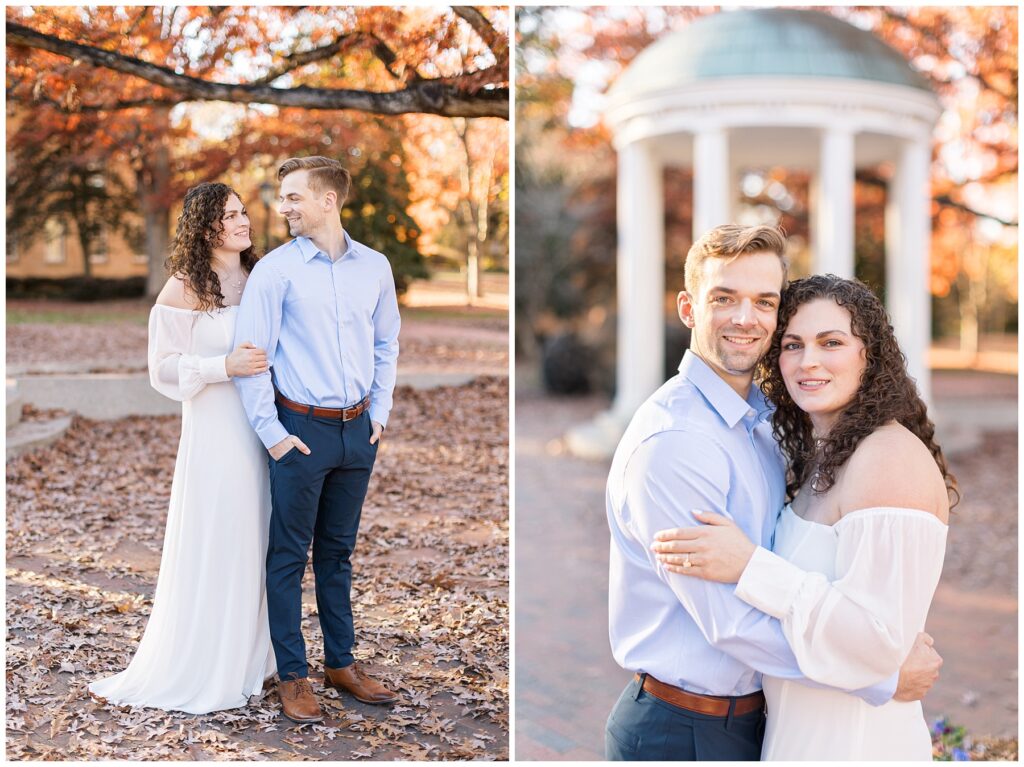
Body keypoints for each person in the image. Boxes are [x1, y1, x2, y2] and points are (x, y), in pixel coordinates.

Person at [604, 224, 943, 761]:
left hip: (764, 723)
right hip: (686, 729)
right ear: (688, 309)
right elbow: (730, 623)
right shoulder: (675, 443)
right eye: (724, 298)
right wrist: (878, 673)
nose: (746, 319)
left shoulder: (765, 429)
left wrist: (876, 652)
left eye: (764, 301)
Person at [89, 182, 275, 714]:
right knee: (222, 536)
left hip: (265, 428)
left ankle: (253, 658)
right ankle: (209, 663)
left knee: (260, 539)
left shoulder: (260, 277)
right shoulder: (186, 285)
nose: (244, 221)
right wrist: (223, 367)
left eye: (243, 212)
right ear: (207, 227)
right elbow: (162, 369)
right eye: (232, 215)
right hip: (216, 435)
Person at [233, 156, 401, 724]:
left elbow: (386, 345)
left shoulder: (375, 267)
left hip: (358, 433)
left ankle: (341, 663)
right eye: (283, 198)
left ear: (329, 200)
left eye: (294, 197)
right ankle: (294, 676)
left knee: (338, 554)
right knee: (287, 557)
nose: (284, 208)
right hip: (299, 432)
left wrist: (379, 412)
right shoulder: (274, 272)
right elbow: (254, 359)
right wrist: (273, 435)